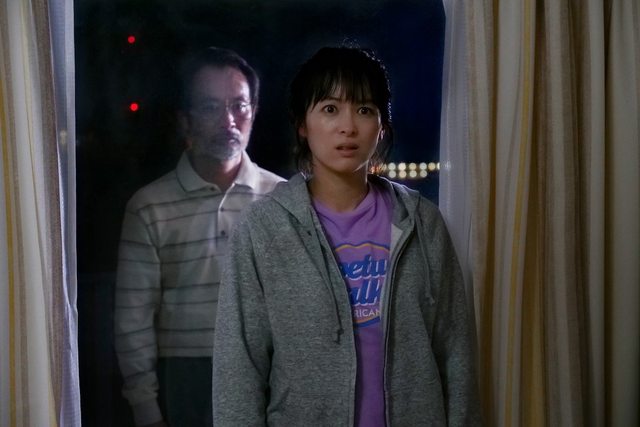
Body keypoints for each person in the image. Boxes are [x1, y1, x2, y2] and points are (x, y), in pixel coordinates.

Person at [212, 46, 481, 426]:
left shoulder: (421, 222)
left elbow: (456, 355)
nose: (348, 127)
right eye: (330, 109)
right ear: (302, 125)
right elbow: (239, 369)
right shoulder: (264, 229)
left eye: (365, 110)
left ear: (382, 126)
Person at [114, 46, 284, 427]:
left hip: (269, 373)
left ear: (254, 112)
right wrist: (145, 408)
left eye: (239, 106)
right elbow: (133, 318)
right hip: (184, 378)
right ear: (185, 121)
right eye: (210, 107)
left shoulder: (281, 199)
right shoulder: (149, 207)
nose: (229, 120)